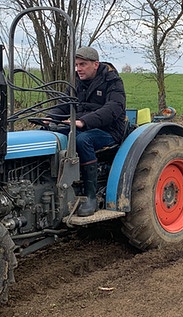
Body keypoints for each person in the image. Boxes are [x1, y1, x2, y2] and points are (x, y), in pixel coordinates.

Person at [49, 46, 127, 217]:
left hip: (109, 130)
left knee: (83, 140)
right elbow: (64, 104)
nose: (79, 69)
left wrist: (83, 121)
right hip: (80, 125)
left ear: (95, 64)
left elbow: (113, 109)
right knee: (52, 135)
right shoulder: (76, 82)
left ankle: (90, 196)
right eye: (76, 65)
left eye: (83, 64)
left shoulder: (112, 82)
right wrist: (50, 117)